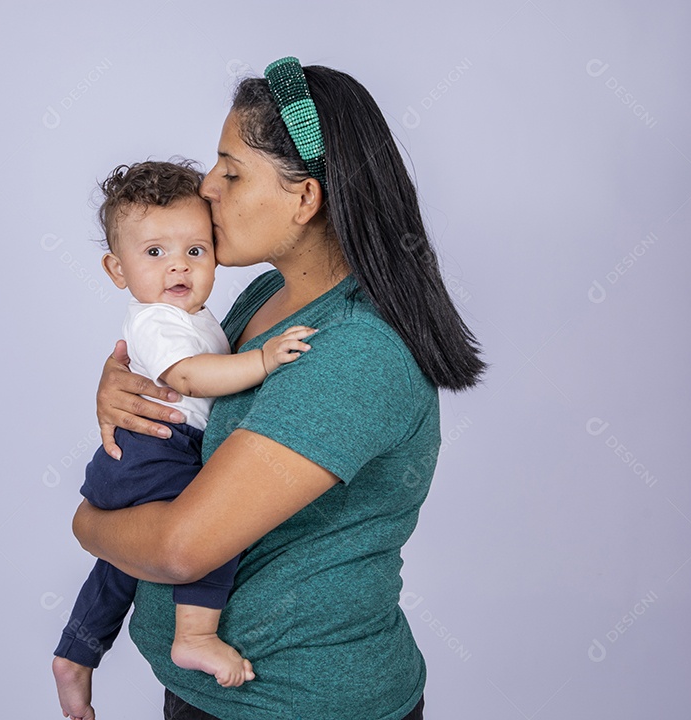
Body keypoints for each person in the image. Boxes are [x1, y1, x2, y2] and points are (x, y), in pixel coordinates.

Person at [72, 57, 486, 720]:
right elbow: (197, 407)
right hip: (211, 695)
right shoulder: (271, 297)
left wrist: (88, 523)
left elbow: (183, 548)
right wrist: (119, 386)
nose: (207, 188)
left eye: (232, 173)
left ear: (304, 199)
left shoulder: (354, 352)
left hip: (297, 702)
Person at [52, 159, 318, 720]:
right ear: (115, 269)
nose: (178, 265)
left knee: (122, 563)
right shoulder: (160, 321)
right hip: (158, 452)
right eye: (154, 253)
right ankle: (194, 635)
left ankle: (77, 651)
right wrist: (262, 360)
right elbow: (189, 377)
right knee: (216, 530)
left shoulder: (192, 315)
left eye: (195, 251)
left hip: (144, 453)